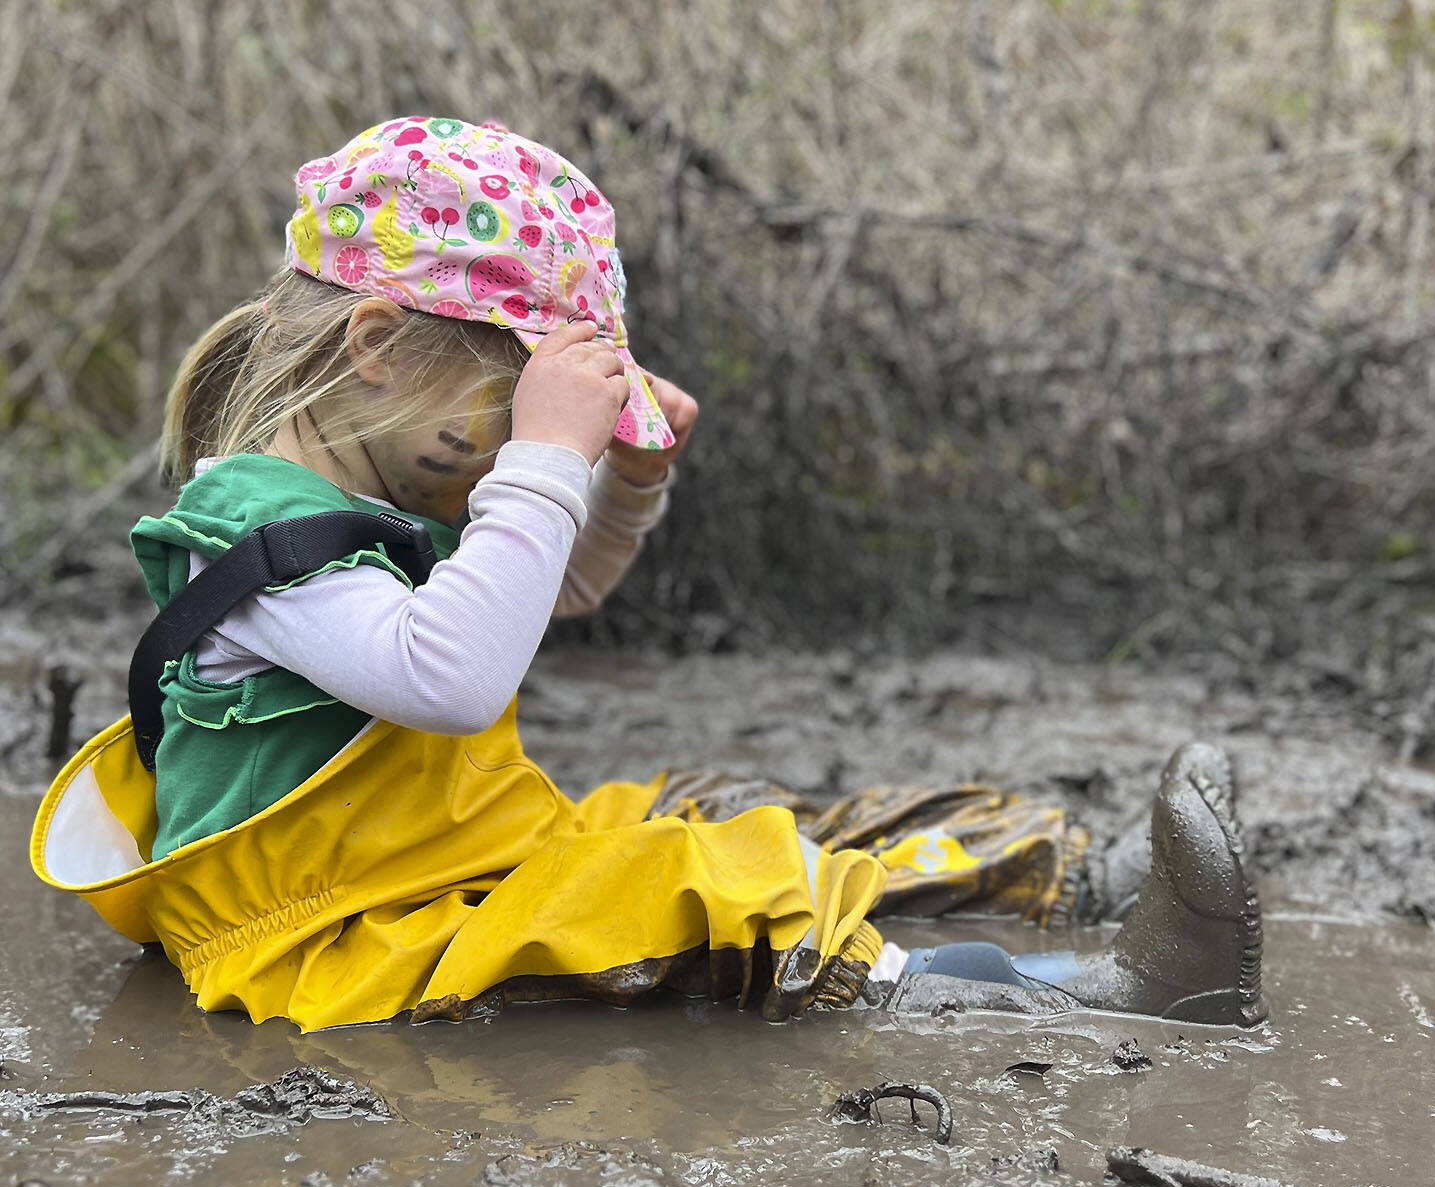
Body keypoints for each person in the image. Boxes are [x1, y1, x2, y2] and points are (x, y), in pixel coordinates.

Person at [31, 117, 1265, 1032]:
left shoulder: (387, 489)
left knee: (713, 809)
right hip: (338, 934)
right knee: (687, 890)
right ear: (375, 348)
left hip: (451, 862)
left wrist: (618, 481)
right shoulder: (259, 536)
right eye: (494, 413)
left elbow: (550, 596)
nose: (499, 460)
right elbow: (451, 678)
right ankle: (1111, 999)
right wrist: (548, 453)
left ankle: (1069, 877)